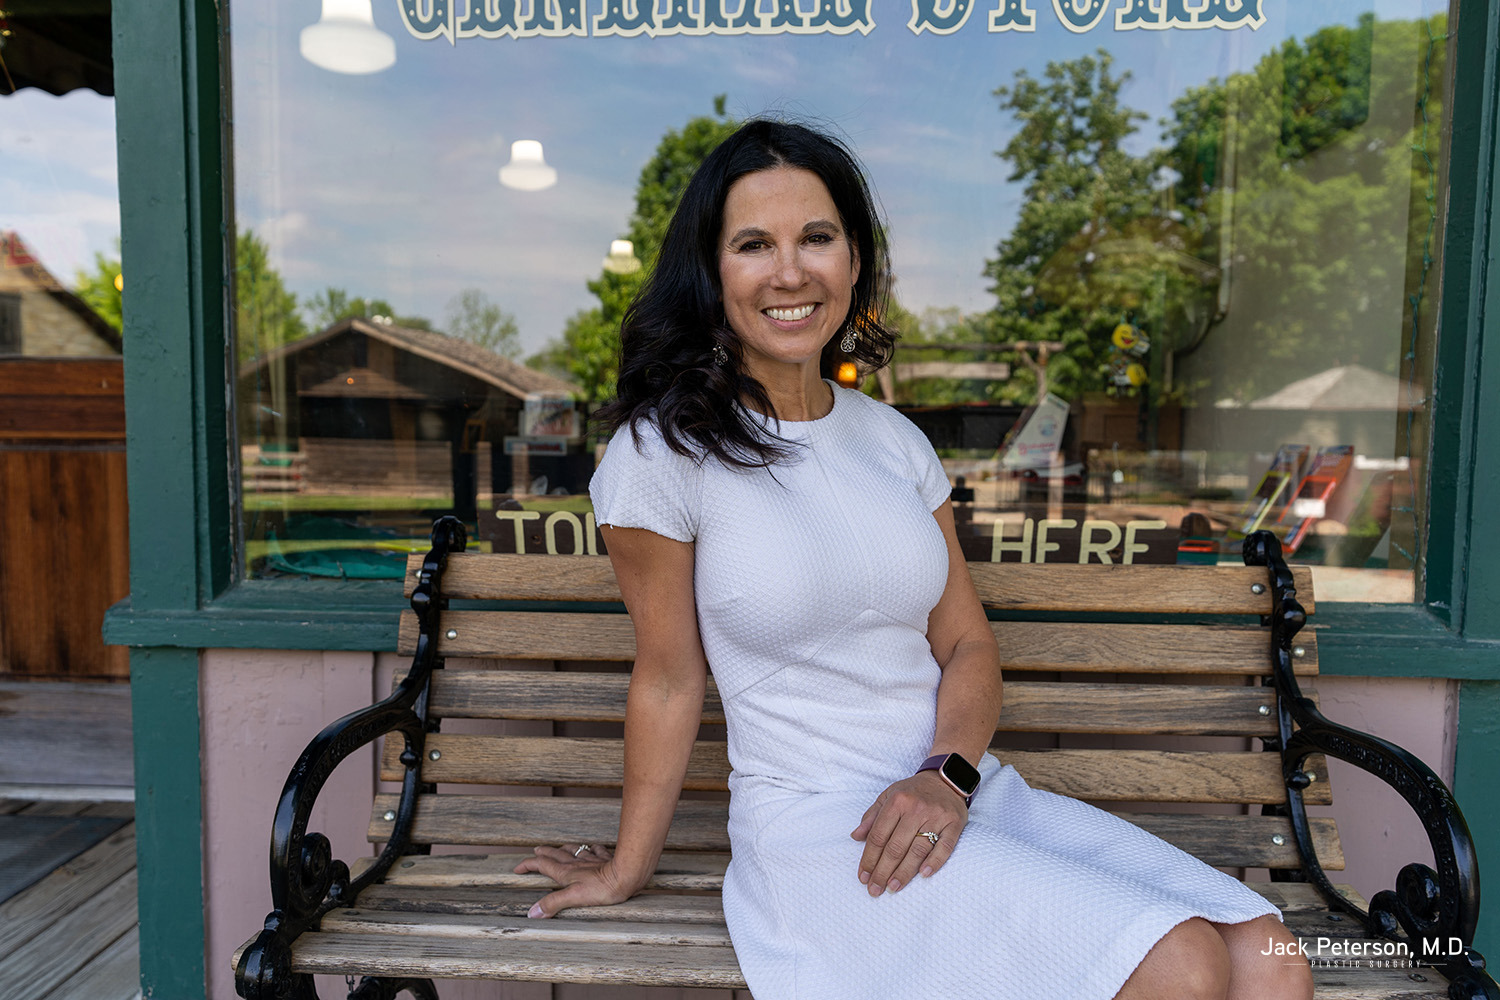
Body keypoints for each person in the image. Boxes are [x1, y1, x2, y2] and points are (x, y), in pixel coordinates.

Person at [513, 119, 1313, 1000]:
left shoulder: (893, 441)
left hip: (960, 792)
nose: (790, 272)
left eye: (817, 238)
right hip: (821, 829)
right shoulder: (662, 456)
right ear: (713, 272)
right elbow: (667, 679)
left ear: (855, 262)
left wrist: (947, 775)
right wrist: (628, 867)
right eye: (754, 245)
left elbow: (967, 644)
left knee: (1268, 958)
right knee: (1183, 963)